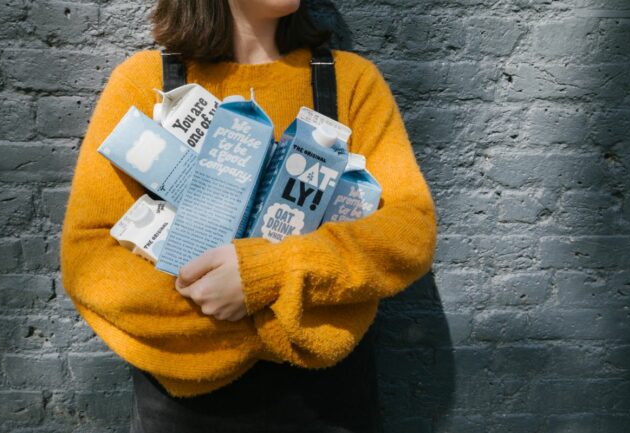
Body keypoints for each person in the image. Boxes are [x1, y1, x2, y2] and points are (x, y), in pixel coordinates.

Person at [59, 0, 438, 432]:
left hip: (326, 404)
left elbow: (410, 229)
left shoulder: (350, 81)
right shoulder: (144, 83)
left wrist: (266, 275)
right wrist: (276, 320)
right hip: (187, 408)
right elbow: (88, 255)